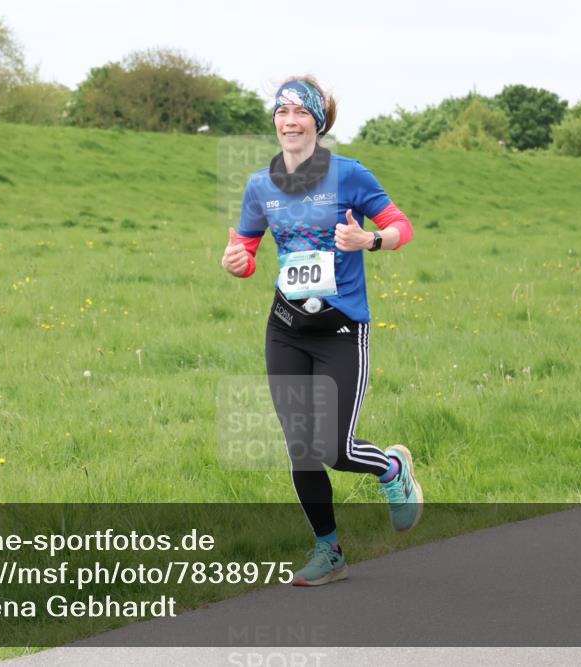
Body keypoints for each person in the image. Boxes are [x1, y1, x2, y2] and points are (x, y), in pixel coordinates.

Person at [221, 75, 423, 587]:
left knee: (335, 448)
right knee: (301, 447)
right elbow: (246, 252)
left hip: (341, 329)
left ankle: (391, 469)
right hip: (286, 328)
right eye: (282, 113)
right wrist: (237, 262)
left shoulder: (349, 174)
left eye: (300, 113)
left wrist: (369, 241)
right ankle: (329, 551)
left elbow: (401, 226)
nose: (289, 122)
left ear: (318, 122)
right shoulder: (260, 185)